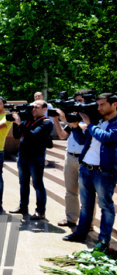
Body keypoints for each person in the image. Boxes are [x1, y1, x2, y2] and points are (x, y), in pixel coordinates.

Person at [63, 93, 117, 253]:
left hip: (104, 171)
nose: (98, 108)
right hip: (86, 168)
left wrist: (89, 125)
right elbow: (82, 141)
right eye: (98, 105)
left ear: (114, 105)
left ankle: (104, 240)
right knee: (86, 205)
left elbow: (107, 137)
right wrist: (74, 126)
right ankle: (81, 233)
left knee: (105, 206)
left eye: (102, 105)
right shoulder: (98, 121)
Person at [8, 100, 54, 220]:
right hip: (23, 156)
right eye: (32, 107)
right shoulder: (27, 120)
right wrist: (15, 123)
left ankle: (40, 211)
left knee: (38, 185)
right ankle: (23, 207)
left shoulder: (46, 123)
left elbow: (33, 136)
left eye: (37, 107)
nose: (33, 109)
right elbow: (17, 135)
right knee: (23, 184)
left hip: (36, 157)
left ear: (44, 109)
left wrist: (20, 124)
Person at [51, 90, 90, 227]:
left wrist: (64, 117)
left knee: (87, 194)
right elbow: (62, 135)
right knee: (70, 191)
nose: (77, 104)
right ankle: (71, 219)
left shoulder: (91, 117)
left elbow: (83, 128)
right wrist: (56, 120)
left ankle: (88, 223)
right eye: (76, 101)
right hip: (70, 157)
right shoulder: (72, 118)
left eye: (80, 101)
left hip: (86, 160)